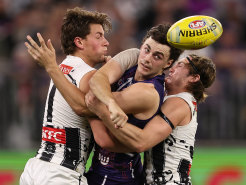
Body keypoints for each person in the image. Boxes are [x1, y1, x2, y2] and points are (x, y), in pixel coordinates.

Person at [25, 23, 183, 185]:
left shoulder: (148, 92)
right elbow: (98, 80)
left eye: (157, 56)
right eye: (147, 49)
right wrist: (108, 102)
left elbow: (93, 109)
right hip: (97, 171)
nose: (147, 58)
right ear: (142, 45)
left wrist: (53, 68)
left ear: (168, 64)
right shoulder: (133, 56)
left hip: (119, 178)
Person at [85, 54, 216, 185]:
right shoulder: (176, 100)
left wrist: (100, 110)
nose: (171, 69)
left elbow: (141, 142)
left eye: (180, 65)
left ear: (194, 77)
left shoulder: (179, 102)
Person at [20, 7, 112, 185]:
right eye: (99, 36)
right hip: (63, 174)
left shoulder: (63, 66)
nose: (106, 42)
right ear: (80, 42)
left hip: (35, 168)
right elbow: (84, 108)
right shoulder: (90, 75)